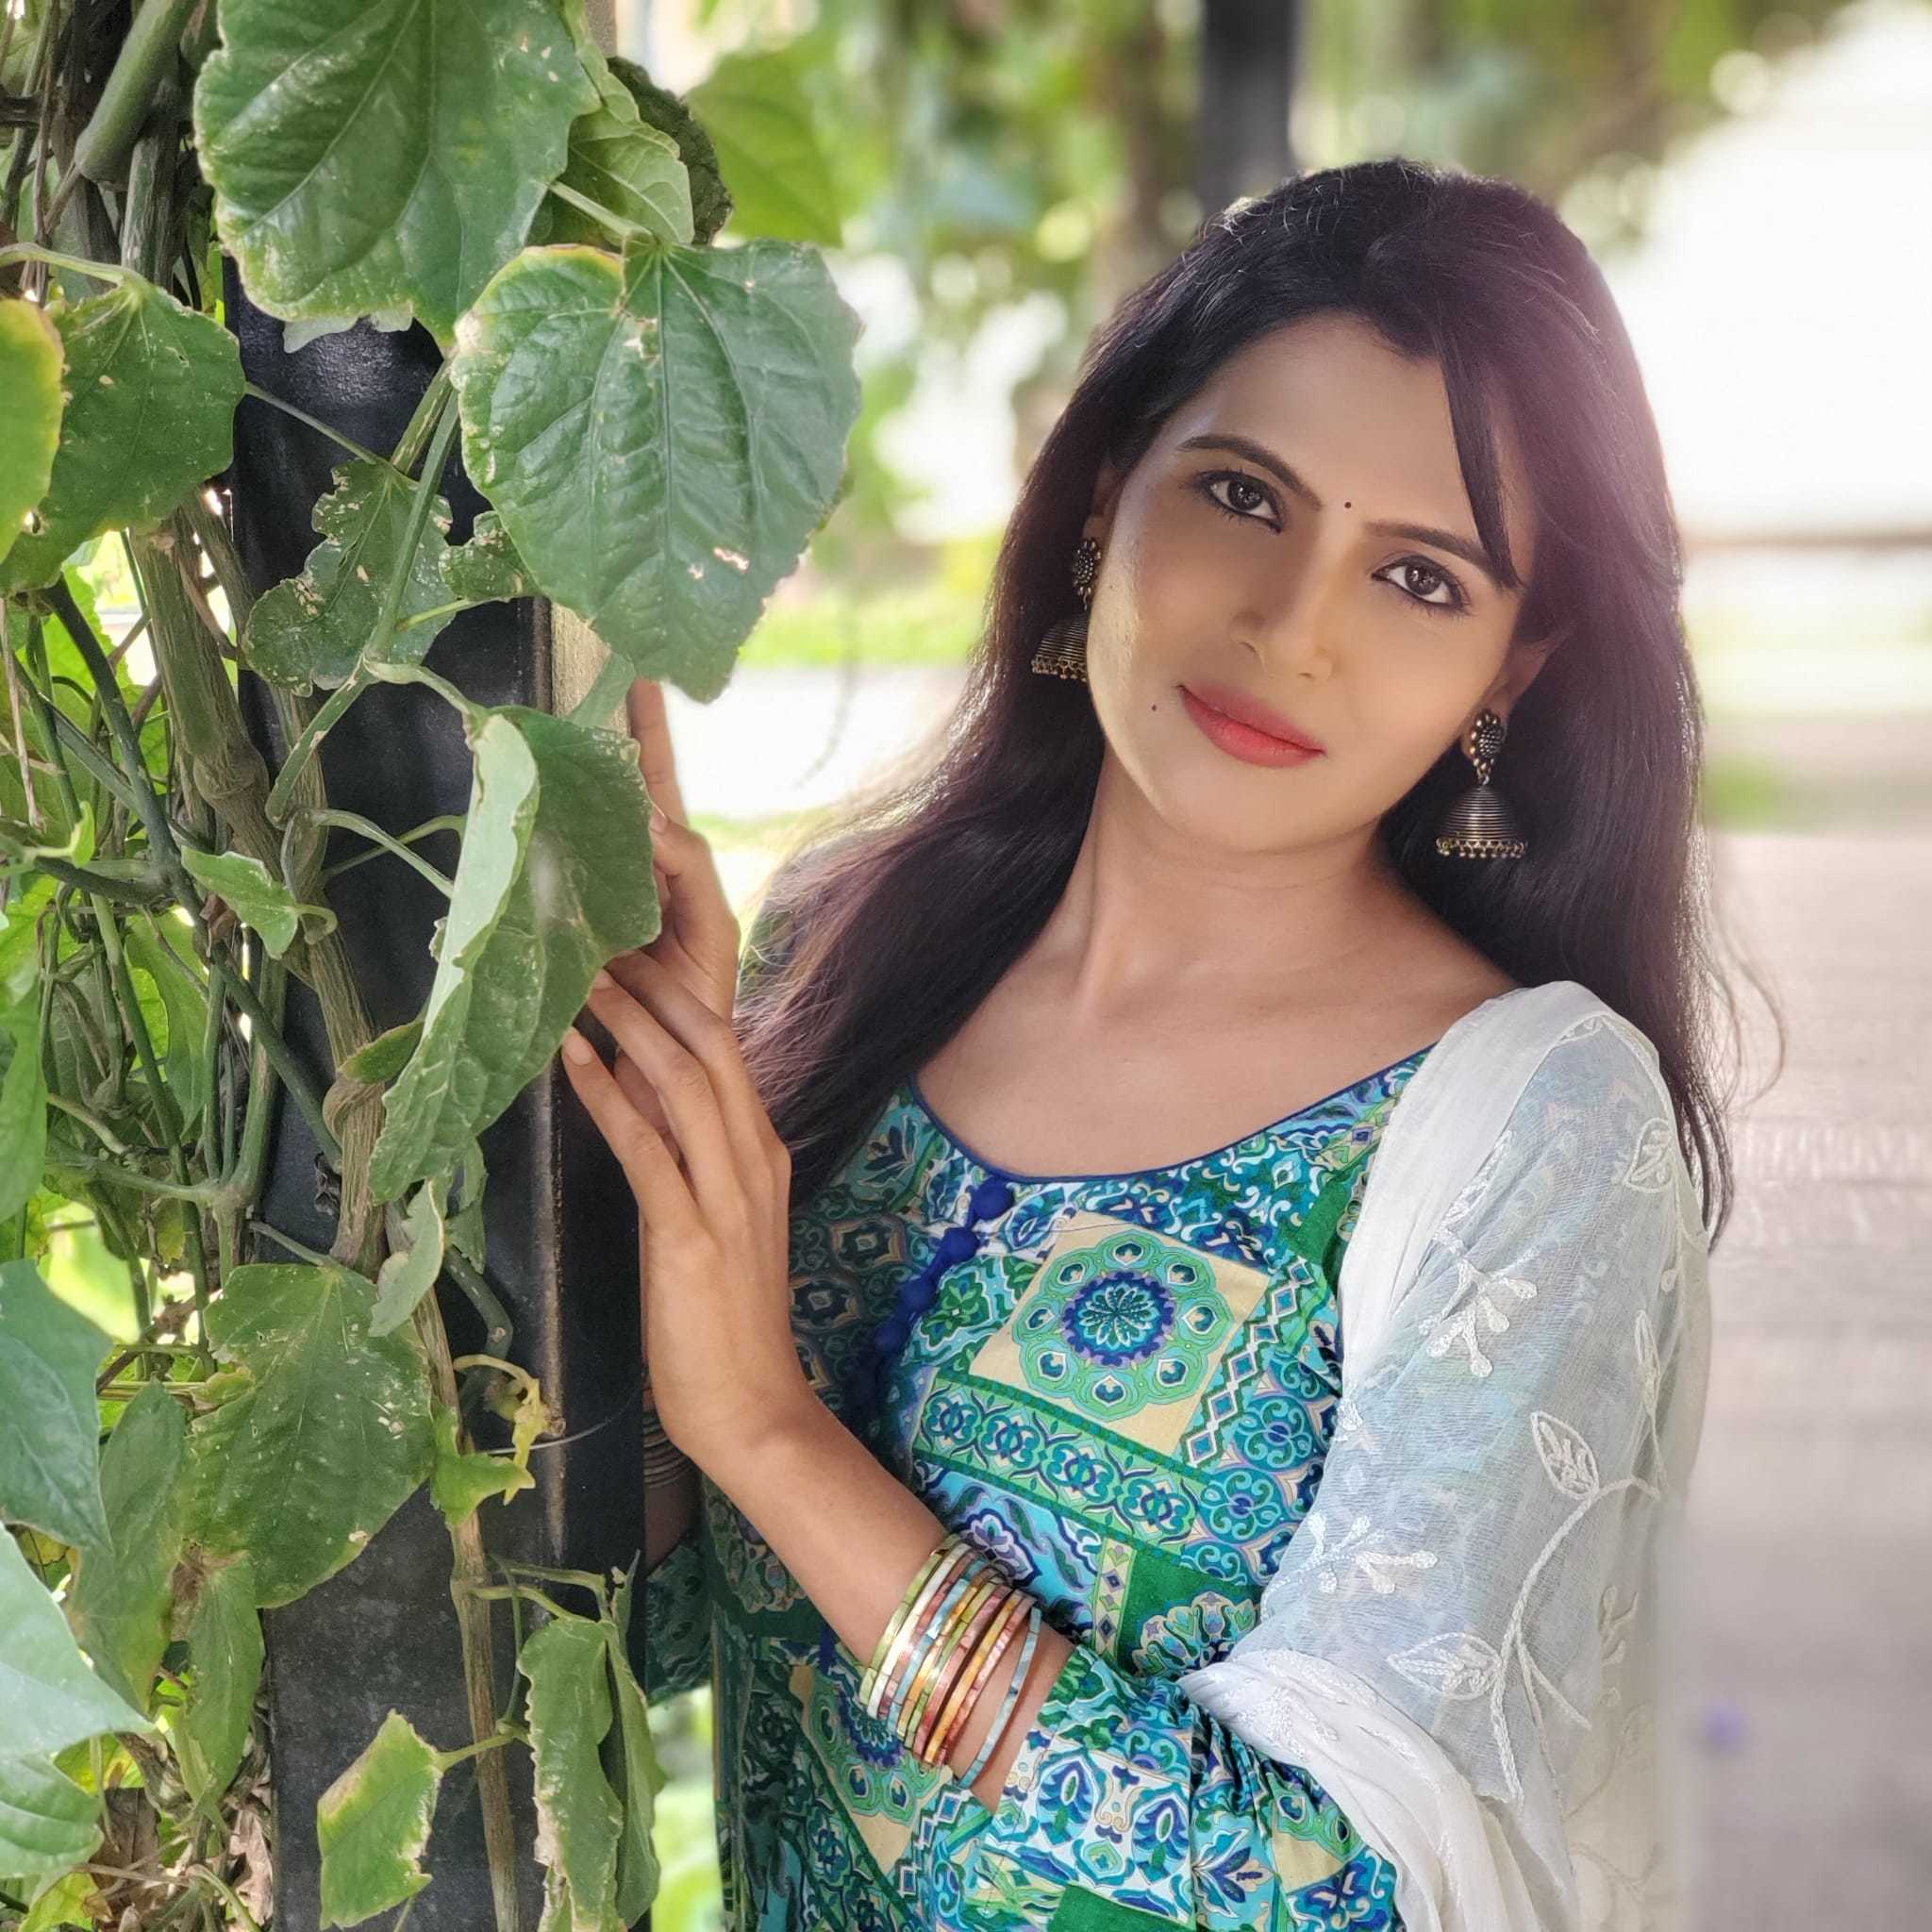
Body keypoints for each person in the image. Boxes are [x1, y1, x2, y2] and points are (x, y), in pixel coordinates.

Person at [559, 156, 1750, 1932]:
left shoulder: (1530, 1128)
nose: (1292, 629)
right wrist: (614, 1086)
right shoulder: (849, 944)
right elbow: (669, 1625)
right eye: (1244, 495)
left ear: (1513, 668)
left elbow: (1326, 1888)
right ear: (1109, 486)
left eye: (1420, 578)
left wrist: (769, 1428)